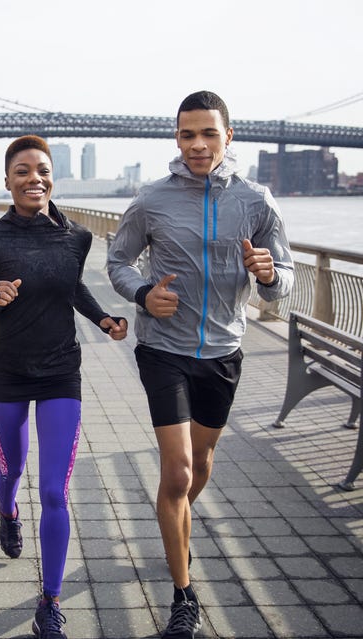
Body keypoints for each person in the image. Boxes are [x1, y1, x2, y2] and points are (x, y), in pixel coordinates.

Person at [107, 91, 294, 639]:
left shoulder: (257, 202)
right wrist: (143, 294)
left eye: (208, 133)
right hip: (162, 348)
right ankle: (183, 596)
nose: (198, 145)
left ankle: (173, 519)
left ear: (228, 136)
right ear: (176, 138)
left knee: (203, 461)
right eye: (187, 134)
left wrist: (266, 273)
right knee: (179, 470)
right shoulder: (151, 200)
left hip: (223, 353)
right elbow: (118, 261)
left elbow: (284, 280)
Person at [0, 135, 128, 639]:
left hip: (61, 372)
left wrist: (103, 319)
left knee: (55, 491)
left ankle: (50, 603)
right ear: (8, 180)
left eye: (42, 169)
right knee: (12, 466)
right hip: (8, 372)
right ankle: (7, 511)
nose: (34, 178)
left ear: (52, 176)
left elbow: (72, 287)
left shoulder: (77, 237)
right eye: (22, 171)